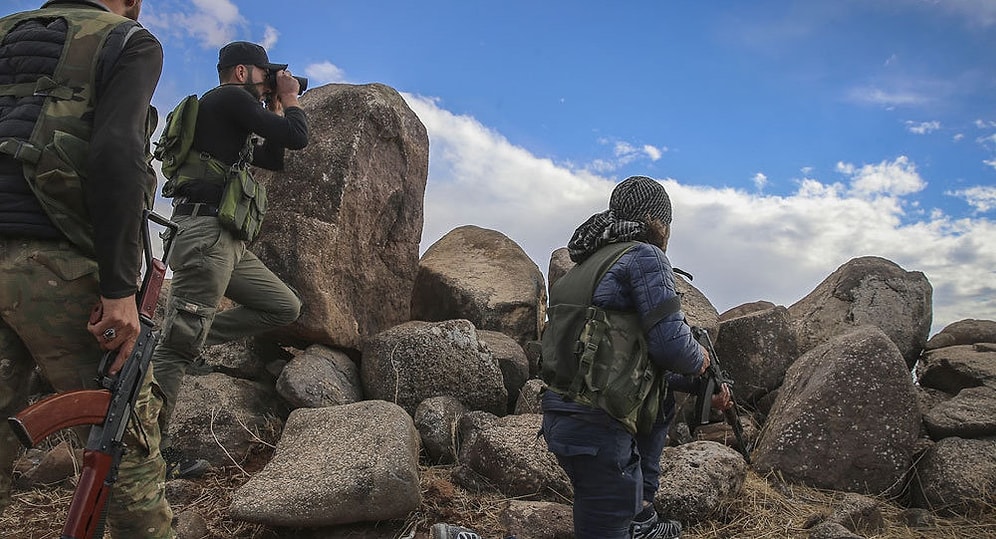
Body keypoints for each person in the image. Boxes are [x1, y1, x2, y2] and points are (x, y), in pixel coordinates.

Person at [0, 0, 174, 537]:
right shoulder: (127, 39)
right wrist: (121, 288)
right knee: (123, 459)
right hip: (56, 269)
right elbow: (118, 151)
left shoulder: (7, 32)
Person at [539, 175, 731, 539]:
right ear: (658, 222)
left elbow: (627, 362)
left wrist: (701, 385)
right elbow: (672, 346)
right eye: (668, 223)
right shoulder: (645, 256)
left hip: (565, 415)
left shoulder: (587, 264)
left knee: (609, 515)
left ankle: (643, 524)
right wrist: (702, 359)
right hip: (600, 425)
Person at [151, 40, 308, 479]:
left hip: (226, 241)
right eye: (265, 74)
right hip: (205, 235)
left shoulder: (228, 118)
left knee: (283, 306)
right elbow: (298, 137)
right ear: (242, 72)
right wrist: (291, 99)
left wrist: (275, 105)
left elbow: (274, 159)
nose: (269, 82)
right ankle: (148, 454)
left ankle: (185, 338)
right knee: (176, 349)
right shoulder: (227, 99)